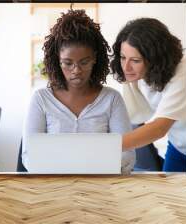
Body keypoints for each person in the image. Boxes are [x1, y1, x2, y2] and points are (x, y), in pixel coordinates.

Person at [22, 9, 135, 174]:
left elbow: (127, 154)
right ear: (57, 61)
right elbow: (29, 155)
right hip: (53, 188)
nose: (76, 70)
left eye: (84, 62)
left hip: (102, 187)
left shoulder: (112, 99)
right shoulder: (40, 99)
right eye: (68, 63)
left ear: (94, 58)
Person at [110, 18, 186, 172]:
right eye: (122, 57)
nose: (126, 67)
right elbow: (137, 117)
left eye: (135, 60)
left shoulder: (184, 72)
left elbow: (159, 128)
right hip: (177, 147)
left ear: (156, 59)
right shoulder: (139, 74)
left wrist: (103, 146)